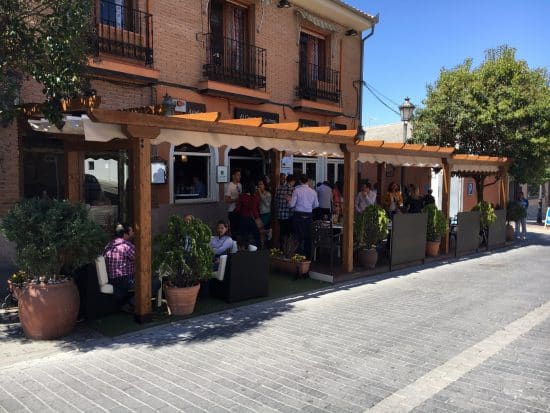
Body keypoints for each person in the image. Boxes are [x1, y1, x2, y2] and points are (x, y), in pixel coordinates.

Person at [288, 174, 319, 258]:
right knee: (308, 237)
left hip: (298, 215)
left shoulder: (296, 190)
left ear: (300, 181)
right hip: (308, 215)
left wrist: (288, 200)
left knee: (298, 237)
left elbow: (292, 205)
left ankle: (298, 256)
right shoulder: (313, 192)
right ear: (308, 181)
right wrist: (309, 206)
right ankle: (308, 256)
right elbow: (316, 205)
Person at [235, 182, 261, 247]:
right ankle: (257, 250)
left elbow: (238, 209)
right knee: (256, 236)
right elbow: (257, 209)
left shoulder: (241, 197)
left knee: (244, 236)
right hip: (253, 219)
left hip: (243, 218)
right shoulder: (256, 197)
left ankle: (245, 250)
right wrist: (258, 218)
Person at [275, 174, 295, 245]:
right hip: (289, 215)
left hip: (280, 214)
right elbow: (293, 204)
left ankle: (280, 247)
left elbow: (276, 201)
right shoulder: (293, 190)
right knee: (288, 233)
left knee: (282, 232)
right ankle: (286, 249)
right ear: (292, 181)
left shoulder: (279, 188)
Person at [224, 169, 242, 235]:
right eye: (238, 175)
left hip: (239, 210)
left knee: (239, 228)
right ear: (233, 176)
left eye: (240, 175)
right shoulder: (229, 186)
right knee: (233, 229)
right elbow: (226, 200)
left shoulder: (240, 185)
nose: (239, 176)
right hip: (232, 210)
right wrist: (236, 199)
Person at [257, 179, 272, 247]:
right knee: (260, 230)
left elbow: (267, 204)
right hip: (259, 213)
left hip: (266, 213)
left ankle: (270, 233)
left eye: (261, 184)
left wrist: (260, 194)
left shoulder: (268, 194)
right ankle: (262, 245)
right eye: (259, 184)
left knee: (263, 230)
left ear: (264, 185)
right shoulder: (257, 193)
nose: (259, 186)